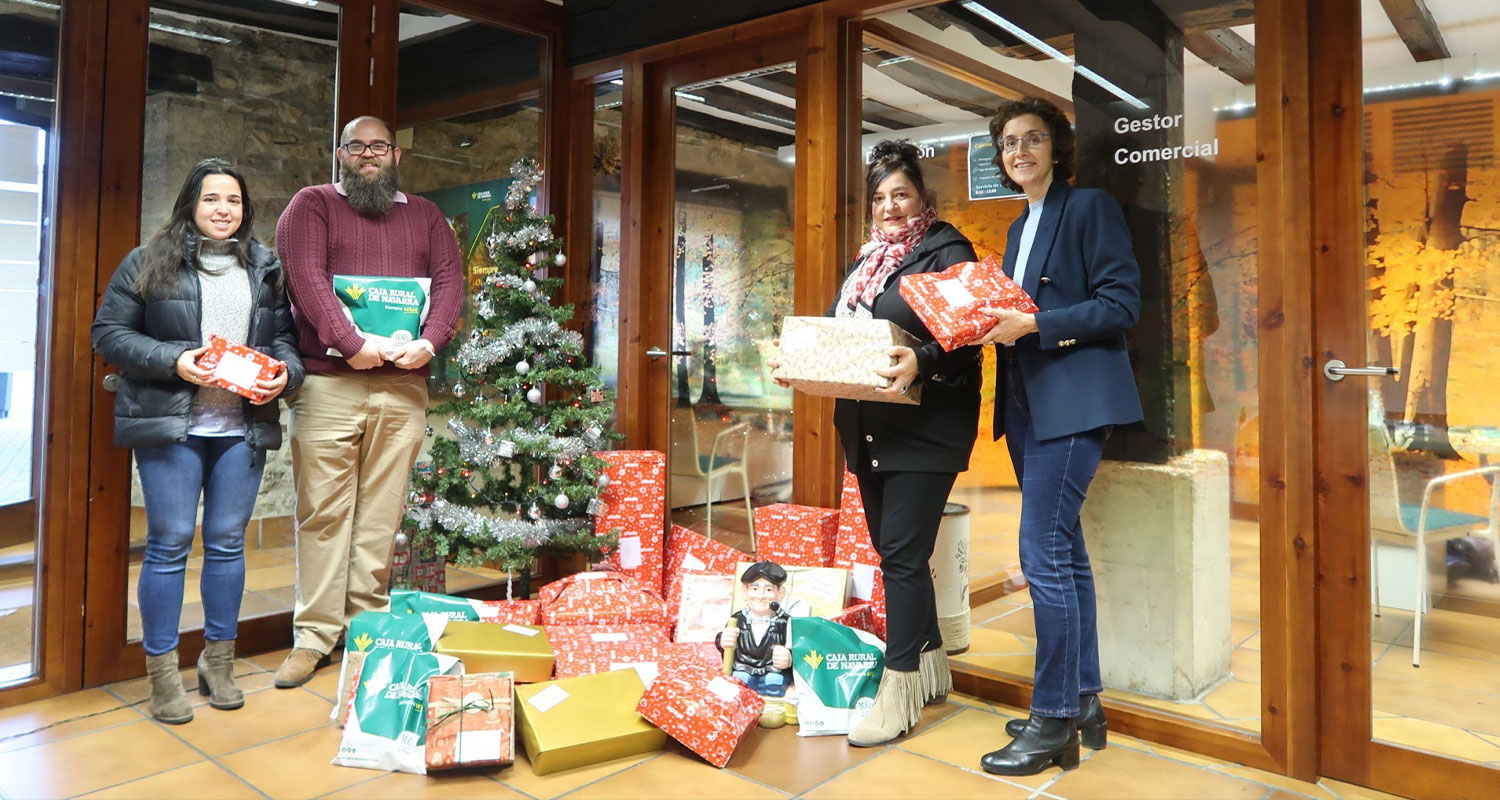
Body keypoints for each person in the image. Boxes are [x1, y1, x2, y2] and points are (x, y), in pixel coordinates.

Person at [784, 139, 983, 746]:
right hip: (868, 426)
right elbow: (845, 338)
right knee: (896, 550)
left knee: (898, 554)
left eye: (901, 194)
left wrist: (920, 359)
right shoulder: (869, 260)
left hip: (924, 432)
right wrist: (797, 357)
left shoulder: (947, 252)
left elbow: (968, 339)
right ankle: (930, 662)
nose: (890, 207)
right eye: (879, 198)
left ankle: (897, 693)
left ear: (923, 197)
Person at [92, 158, 303, 723]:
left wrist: (285, 376)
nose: (222, 210)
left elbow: (285, 340)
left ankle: (219, 661)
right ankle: (163, 674)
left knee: (228, 542)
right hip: (173, 424)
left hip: (242, 426)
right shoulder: (148, 261)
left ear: (244, 209)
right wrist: (175, 360)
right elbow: (109, 333)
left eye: (232, 201)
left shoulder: (264, 267)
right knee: (169, 542)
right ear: (191, 203)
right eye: (211, 199)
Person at [973, 97, 1143, 776]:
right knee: (1064, 556)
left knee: (1040, 554)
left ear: (1056, 148)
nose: (1020, 151)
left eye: (1033, 139)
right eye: (1010, 143)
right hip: (1024, 405)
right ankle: (1083, 702)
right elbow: (1019, 313)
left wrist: (1035, 327)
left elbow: (1120, 304)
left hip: (1072, 403)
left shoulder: (1089, 206)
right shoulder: (1019, 227)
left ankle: (1052, 722)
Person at [272, 115, 463, 688]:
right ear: (340, 154)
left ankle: (365, 631)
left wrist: (430, 342)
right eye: (356, 147)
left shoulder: (425, 216)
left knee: (381, 516)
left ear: (396, 155)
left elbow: (450, 283)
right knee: (324, 513)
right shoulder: (312, 206)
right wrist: (350, 344)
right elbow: (305, 277)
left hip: (403, 385)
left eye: (378, 146)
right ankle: (314, 637)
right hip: (332, 382)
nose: (368, 155)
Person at [717, 560, 794, 697]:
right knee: (739, 688)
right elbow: (723, 641)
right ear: (745, 592)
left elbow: (800, 648)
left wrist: (789, 657)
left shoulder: (786, 622)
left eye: (769, 590)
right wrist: (723, 640)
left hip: (774, 672)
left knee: (775, 688)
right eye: (755, 589)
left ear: (780, 593)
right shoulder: (737, 619)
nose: (760, 596)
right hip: (743, 669)